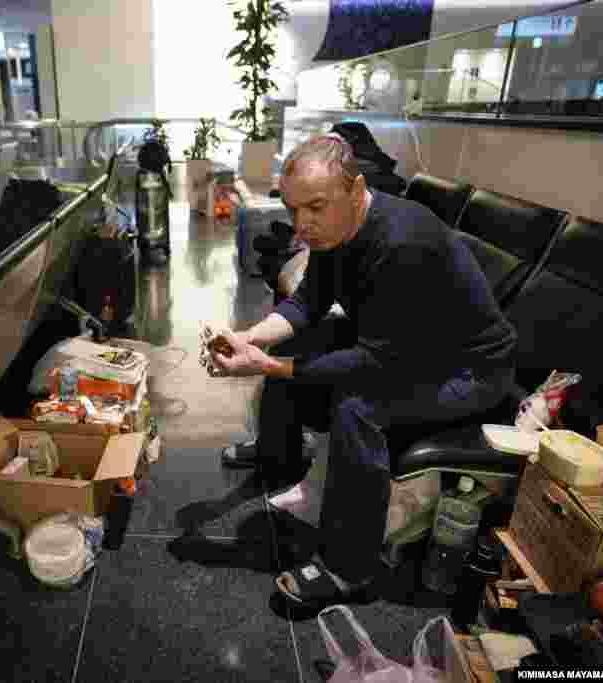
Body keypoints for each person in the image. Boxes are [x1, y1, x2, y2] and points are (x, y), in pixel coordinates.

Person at [210, 134, 517, 608]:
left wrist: (271, 365)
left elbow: (375, 363)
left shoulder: (402, 241)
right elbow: (309, 301)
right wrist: (252, 337)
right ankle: (277, 453)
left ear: (355, 190)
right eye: (293, 210)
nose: (302, 225)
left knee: (360, 410)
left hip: (471, 372)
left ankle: (348, 570)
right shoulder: (336, 228)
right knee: (301, 342)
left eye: (315, 207)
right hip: (409, 349)